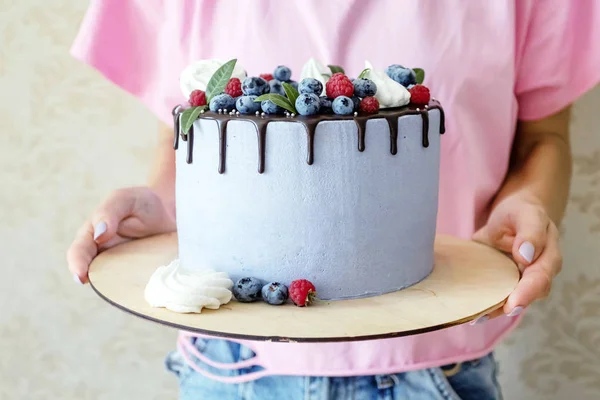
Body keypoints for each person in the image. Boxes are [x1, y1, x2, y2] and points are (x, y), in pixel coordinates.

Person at [67, 1, 600, 399]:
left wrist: (528, 205)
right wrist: (162, 207)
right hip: (231, 369)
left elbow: (543, 139)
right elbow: (187, 133)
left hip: (442, 365)